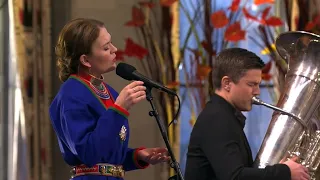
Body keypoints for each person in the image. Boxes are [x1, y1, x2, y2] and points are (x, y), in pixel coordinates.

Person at [49, 18, 170, 180]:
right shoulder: (71, 94)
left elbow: (106, 155)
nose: (115, 49)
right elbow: (89, 154)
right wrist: (119, 109)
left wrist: (137, 155)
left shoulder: (109, 92)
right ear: (85, 60)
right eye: (106, 48)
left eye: (111, 43)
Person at [184, 48, 310, 180]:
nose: (257, 92)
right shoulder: (216, 118)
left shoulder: (224, 115)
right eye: (252, 84)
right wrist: (284, 171)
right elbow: (235, 176)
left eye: (258, 85)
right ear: (227, 83)